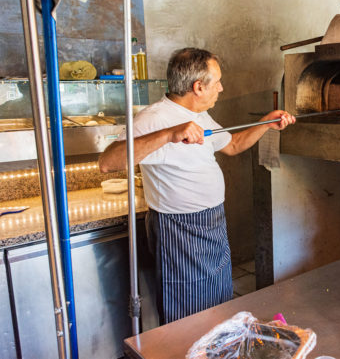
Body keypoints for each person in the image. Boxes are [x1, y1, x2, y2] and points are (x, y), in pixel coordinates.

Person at [99, 47, 295, 324]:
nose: (222, 88)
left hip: (212, 223)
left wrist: (265, 123)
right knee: (187, 313)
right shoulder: (153, 118)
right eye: (217, 82)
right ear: (198, 86)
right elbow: (107, 162)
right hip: (179, 230)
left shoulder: (200, 114)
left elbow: (234, 145)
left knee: (217, 305)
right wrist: (169, 134)